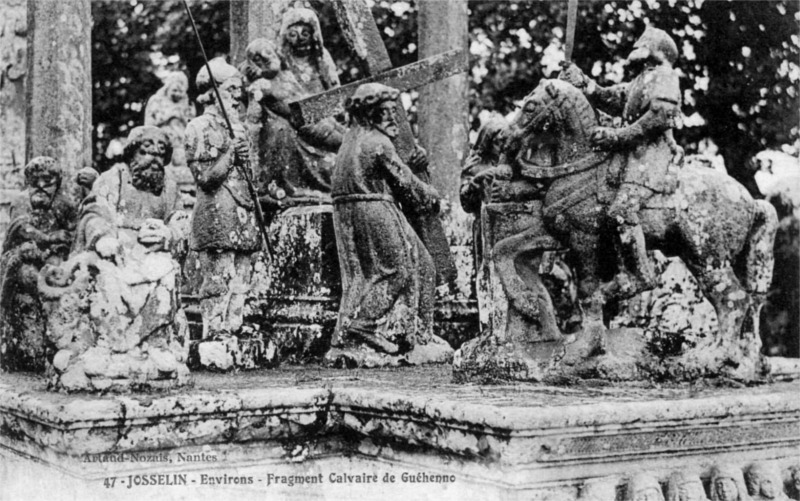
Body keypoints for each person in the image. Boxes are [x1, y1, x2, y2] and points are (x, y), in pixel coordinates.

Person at [326, 83, 453, 366]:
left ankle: (356, 335)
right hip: (374, 209)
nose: (393, 119)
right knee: (397, 269)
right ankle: (367, 326)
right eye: (385, 112)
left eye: (393, 112)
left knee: (365, 276)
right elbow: (405, 180)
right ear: (370, 114)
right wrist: (431, 196)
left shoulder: (350, 140)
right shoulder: (378, 143)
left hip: (350, 210)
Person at [560, 26, 684, 297]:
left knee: (621, 212)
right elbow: (610, 97)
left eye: (643, 43)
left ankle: (640, 275)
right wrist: (581, 81)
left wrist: (618, 136)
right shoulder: (639, 81)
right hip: (627, 156)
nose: (636, 46)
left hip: (650, 156)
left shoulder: (665, 76)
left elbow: (660, 115)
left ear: (656, 49)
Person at [185, 57, 260, 340]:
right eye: (230, 89)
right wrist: (230, 154)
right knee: (219, 275)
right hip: (217, 208)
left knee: (241, 276)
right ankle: (215, 329)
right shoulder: (199, 127)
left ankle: (234, 326)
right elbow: (205, 178)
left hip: (243, 205)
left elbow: (250, 173)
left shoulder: (238, 128)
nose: (237, 96)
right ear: (213, 92)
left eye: (238, 89)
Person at [241, 37, 345, 209]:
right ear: (253, 67)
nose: (265, 58)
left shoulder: (288, 76)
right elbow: (293, 115)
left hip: (313, 129)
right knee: (333, 165)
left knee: (343, 150)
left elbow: (309, 107)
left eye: (267, 52)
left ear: (276, 53)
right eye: (258, 59)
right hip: (300, 139)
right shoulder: (262, 86)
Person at [0, 156, 77, 371]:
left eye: (48, 181)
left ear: (57, 183)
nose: (41, 186)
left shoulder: (64, 204)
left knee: (60, 277)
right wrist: (48, 238)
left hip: (54, 258)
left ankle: (60, 338)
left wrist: (61, 245)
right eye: (35, 181)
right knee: (28, 276)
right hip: (22, 257)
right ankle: (33, 347)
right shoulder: (22, 201)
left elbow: (74, 231)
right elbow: (20, 228)